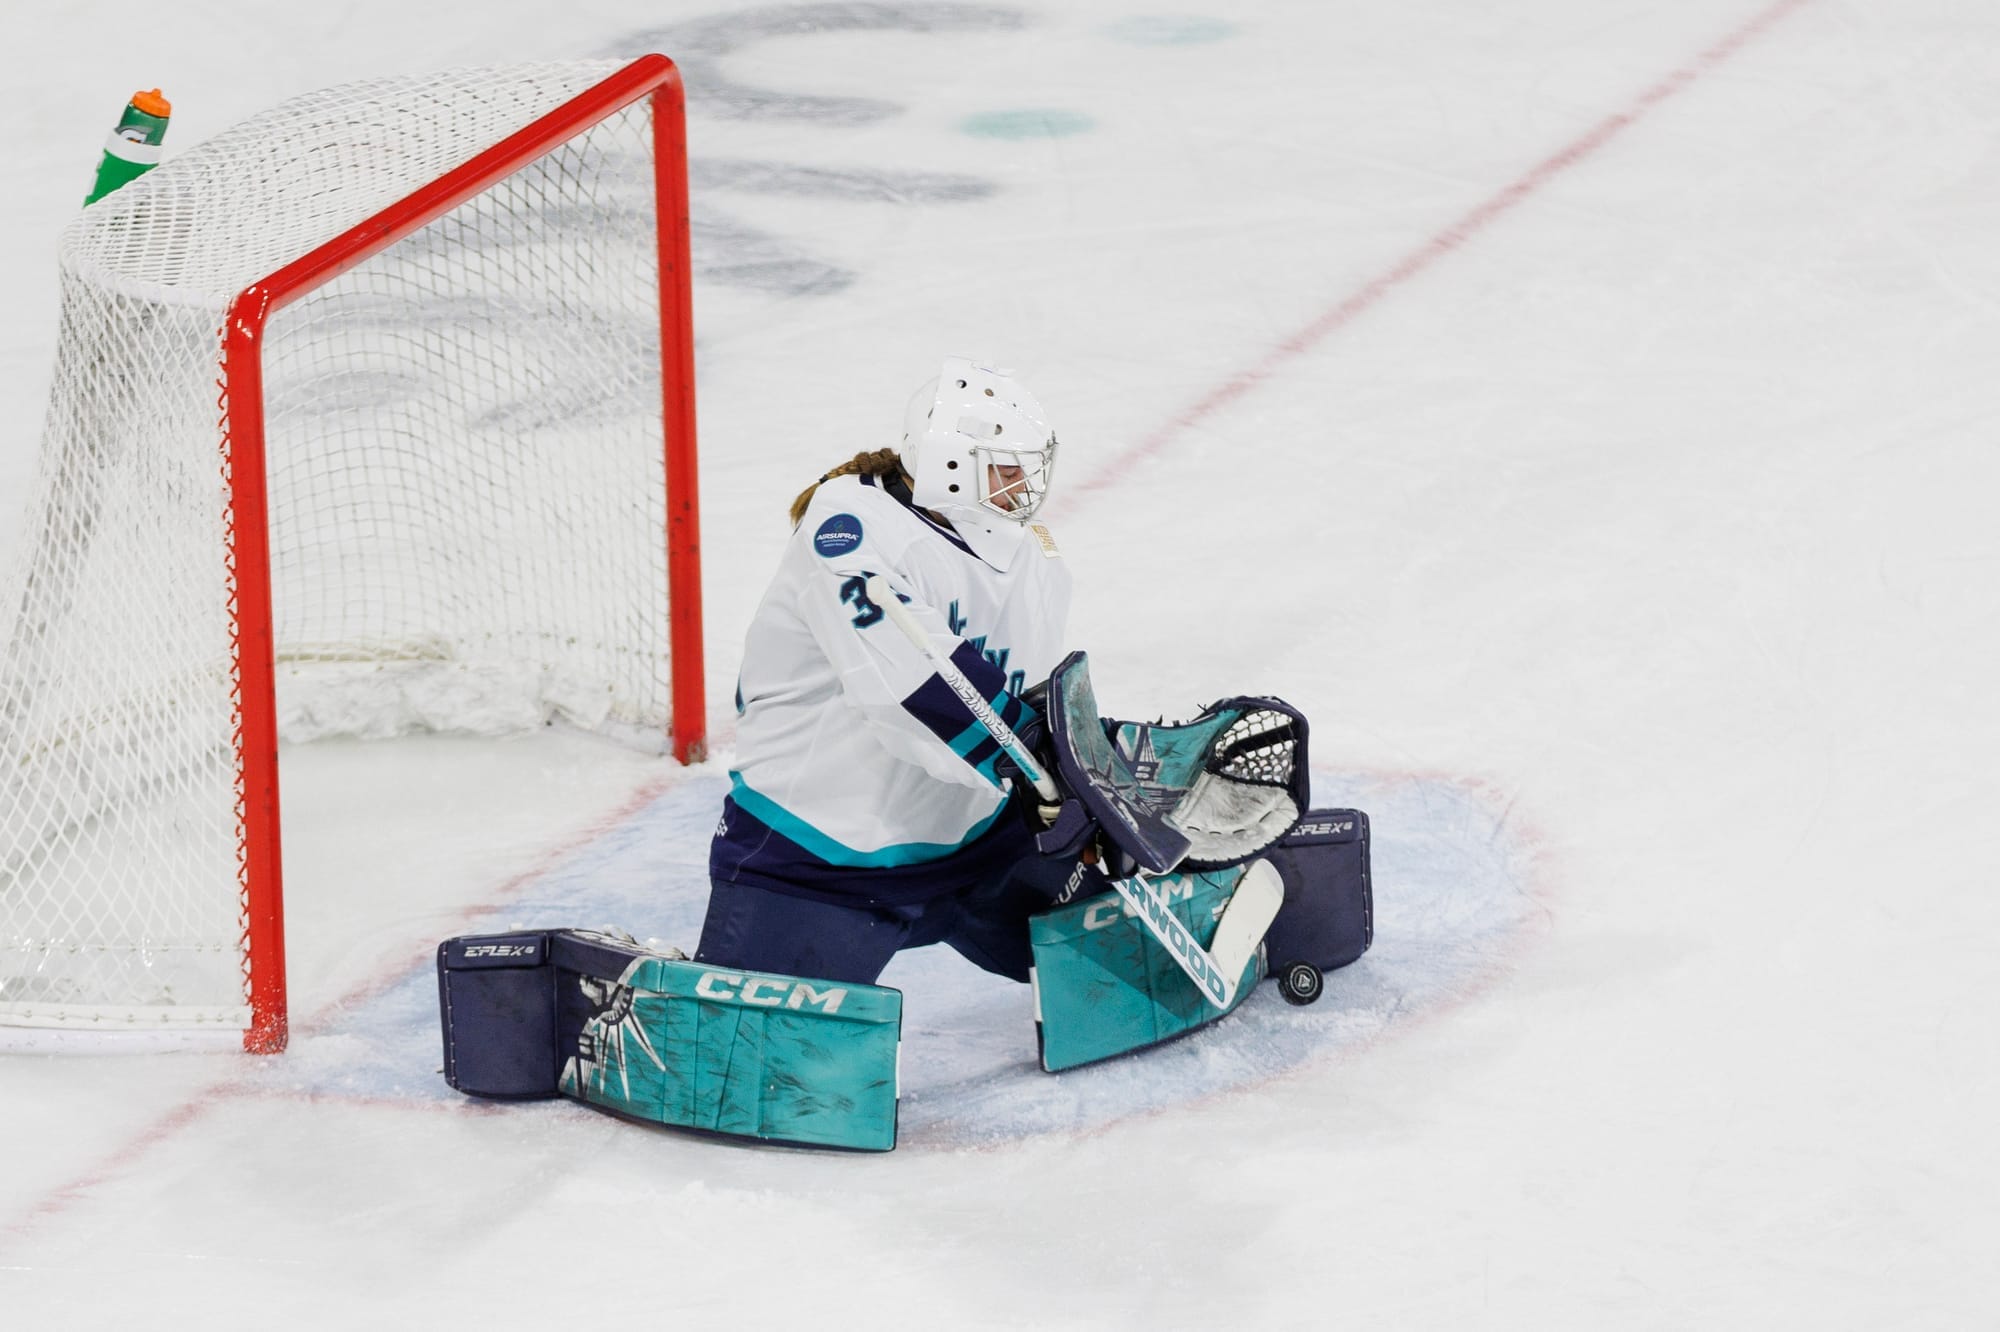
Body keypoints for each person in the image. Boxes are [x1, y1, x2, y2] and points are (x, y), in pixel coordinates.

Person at [695, 358, 1074, 986]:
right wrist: (1032, 760)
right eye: (1007, 470)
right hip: (819, 854)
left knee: (1124, 966)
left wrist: (1073, 760)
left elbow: (1020, 688)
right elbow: (910, 691)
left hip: (977, 843)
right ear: (952, 469)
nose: (1026, 486)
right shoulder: (849, 530)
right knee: (760, 1067)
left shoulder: (1030, 552)